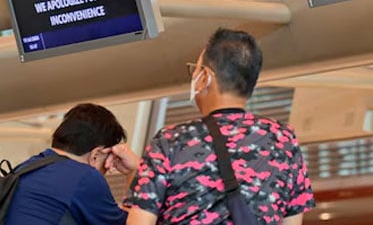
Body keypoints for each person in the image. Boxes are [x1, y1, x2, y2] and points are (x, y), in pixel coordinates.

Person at [125, 28, 315, 225]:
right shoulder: (283, 140)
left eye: (195, 70)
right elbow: (292, 221)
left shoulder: (169, 141)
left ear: (206, 77)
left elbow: (140, 221)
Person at [4, 103, 139, 225]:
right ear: (96, 155)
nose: (108, 169)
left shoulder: (25, 167)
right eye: (108, 162)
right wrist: (136, 171)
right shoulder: (86, 177)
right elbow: (137, 222)